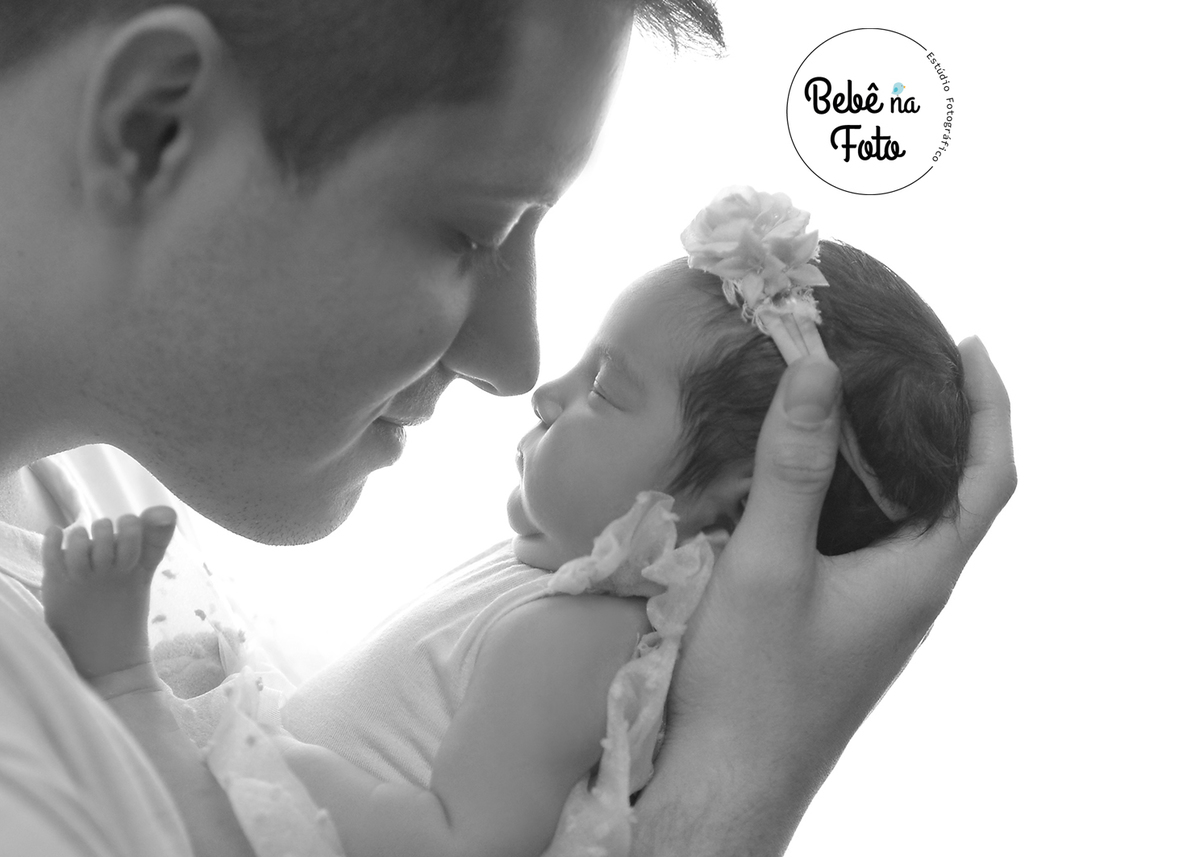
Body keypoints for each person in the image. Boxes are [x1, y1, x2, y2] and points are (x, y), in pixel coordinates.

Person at [0, 2, 1016, 856]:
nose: (519, 365)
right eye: (471, 230)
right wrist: (745, 778)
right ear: (153, 128)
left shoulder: (100, 482)